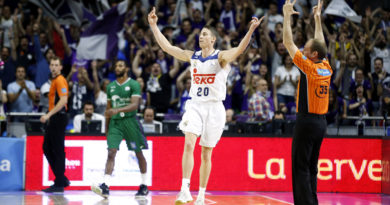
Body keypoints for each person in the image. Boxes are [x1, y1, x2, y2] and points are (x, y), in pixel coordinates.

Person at [148, 7, 263, 205]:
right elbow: (167, 47)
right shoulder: (192, 56)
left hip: (215, 108)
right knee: (189, 142)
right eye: (200, 34)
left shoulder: (221, 57)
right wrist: (153, 25)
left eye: (205, 34)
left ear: (213, 40)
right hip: (195, 105)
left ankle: (201, 195)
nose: (201, 36)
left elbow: (239, 50)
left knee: (206, 153)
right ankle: (184, 189)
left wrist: (251, 30)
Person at [283, 0, 332, 204]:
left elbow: (288, 43)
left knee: (301, 167)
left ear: (313, 55)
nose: (302, 50)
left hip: (306, 121)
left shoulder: (310, 68)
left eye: (306, 49)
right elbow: (320, 43)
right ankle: (313, 201)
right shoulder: (326, 66)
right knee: (312, 167)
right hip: (321, 124)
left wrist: (286, 16)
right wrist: (318, 19)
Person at [91, 60, 149, 199]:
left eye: (121, 65)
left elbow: (135, 105)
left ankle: (144, 185)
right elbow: (108, 109)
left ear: (127, 68)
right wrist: (106, 127)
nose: (118, 68)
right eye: (116, 66)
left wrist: (117, 110)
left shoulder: (134, 84)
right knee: (111, 152)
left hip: (130, 121)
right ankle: (105, 185)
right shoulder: (110, 86)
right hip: (115, 124)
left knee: (138, 153)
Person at [40, 56, 69, 192]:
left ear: (61, 67)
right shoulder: (54, 81)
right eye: (52, 65)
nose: (54, 67)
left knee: (57, 150)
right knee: (47, 147)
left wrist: (48, 115)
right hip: (54, 118)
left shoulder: (60, 80)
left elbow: (63, 100)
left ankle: (59, 183)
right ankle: (61, 179)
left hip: (58, 117)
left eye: (56, 65)